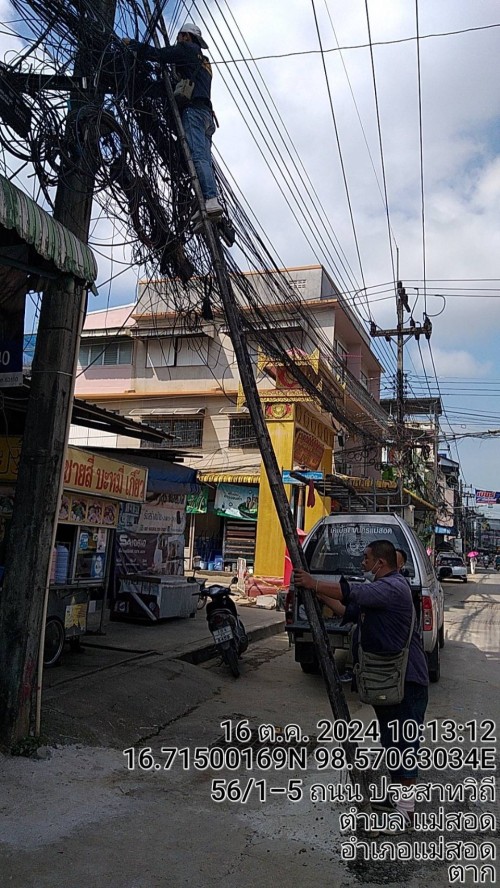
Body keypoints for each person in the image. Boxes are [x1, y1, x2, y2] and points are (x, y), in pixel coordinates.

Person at [295, 539, 429, 832]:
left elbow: (352, 591)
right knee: (392, 742)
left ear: (380, 563)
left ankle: (406, 811)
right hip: (389, 679)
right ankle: (398, 801)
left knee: (404, 744)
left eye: (366, 559)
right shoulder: (381, 592)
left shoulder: (391, 587)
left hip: (407, 681)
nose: (362, 563)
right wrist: (316, 595)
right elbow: (347, 609)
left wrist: (313, 583)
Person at [124, 23, 222, 220]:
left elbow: (159, 55)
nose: (178, 39)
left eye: (180, 36)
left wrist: (132, 45)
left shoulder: (186, 50)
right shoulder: (205, 62)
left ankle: (211, 199)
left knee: (198, 157)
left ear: (186, 36)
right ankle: (204, 207)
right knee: (200, 158)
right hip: (207, 117)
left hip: (194, 112)